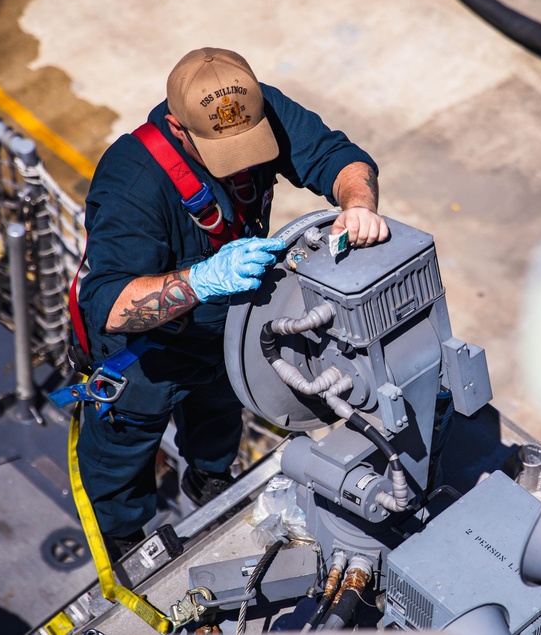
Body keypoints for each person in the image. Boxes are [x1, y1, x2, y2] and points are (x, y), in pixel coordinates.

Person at [76, 47, 389, 556]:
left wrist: (358, 206)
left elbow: (339, 158)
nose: (243, 161)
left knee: (221, 413)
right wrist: (202, 282)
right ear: (179, 127)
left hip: (226, 333)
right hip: (146, 354)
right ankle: (125, 541)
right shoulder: (132, 181)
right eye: (224, 151)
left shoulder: (256, 106)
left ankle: (210, 480)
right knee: (120, 457)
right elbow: (109, 305)